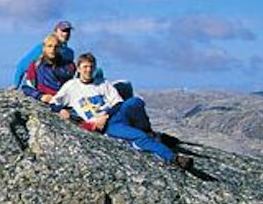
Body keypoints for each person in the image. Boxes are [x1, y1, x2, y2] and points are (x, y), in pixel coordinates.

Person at [49, 53, 193, 169]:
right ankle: (173, 158)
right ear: (78, 68)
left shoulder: (102, 83)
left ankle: (149, 132)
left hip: (113, 115)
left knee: (135, 102)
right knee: (139, 136)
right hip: (107, 126)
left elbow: (118, 102)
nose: (88, 70)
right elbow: (54, 102)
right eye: (85, 67)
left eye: (91, 67)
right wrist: (61, 110)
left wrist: (105, 115)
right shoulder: (71, 87)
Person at [12, 20, 75, 89]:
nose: (66, 33)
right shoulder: (42, 47)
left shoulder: (70, 53)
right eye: (63, 30)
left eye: (68, 31)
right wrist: (15, 85)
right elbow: (22, 66)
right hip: (37, 89)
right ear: (55, 32)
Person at [20, 34, 75, 103]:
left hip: (64, 101)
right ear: (44, 48)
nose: (52, 49)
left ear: (60, 48)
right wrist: (40, 96)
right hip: (45, 100)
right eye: (49, 46)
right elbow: (27, 87)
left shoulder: (68, 66)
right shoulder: (35, 65)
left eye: (56, 47)